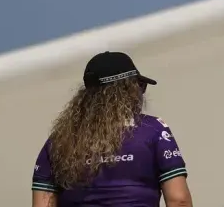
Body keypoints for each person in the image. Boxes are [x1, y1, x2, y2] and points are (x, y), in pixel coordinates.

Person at [31, 51, 193, 207]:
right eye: (140, 85)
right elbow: (179, 201)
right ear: (128, 90)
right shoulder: (154, 130)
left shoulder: (58, 141)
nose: (142, 93)